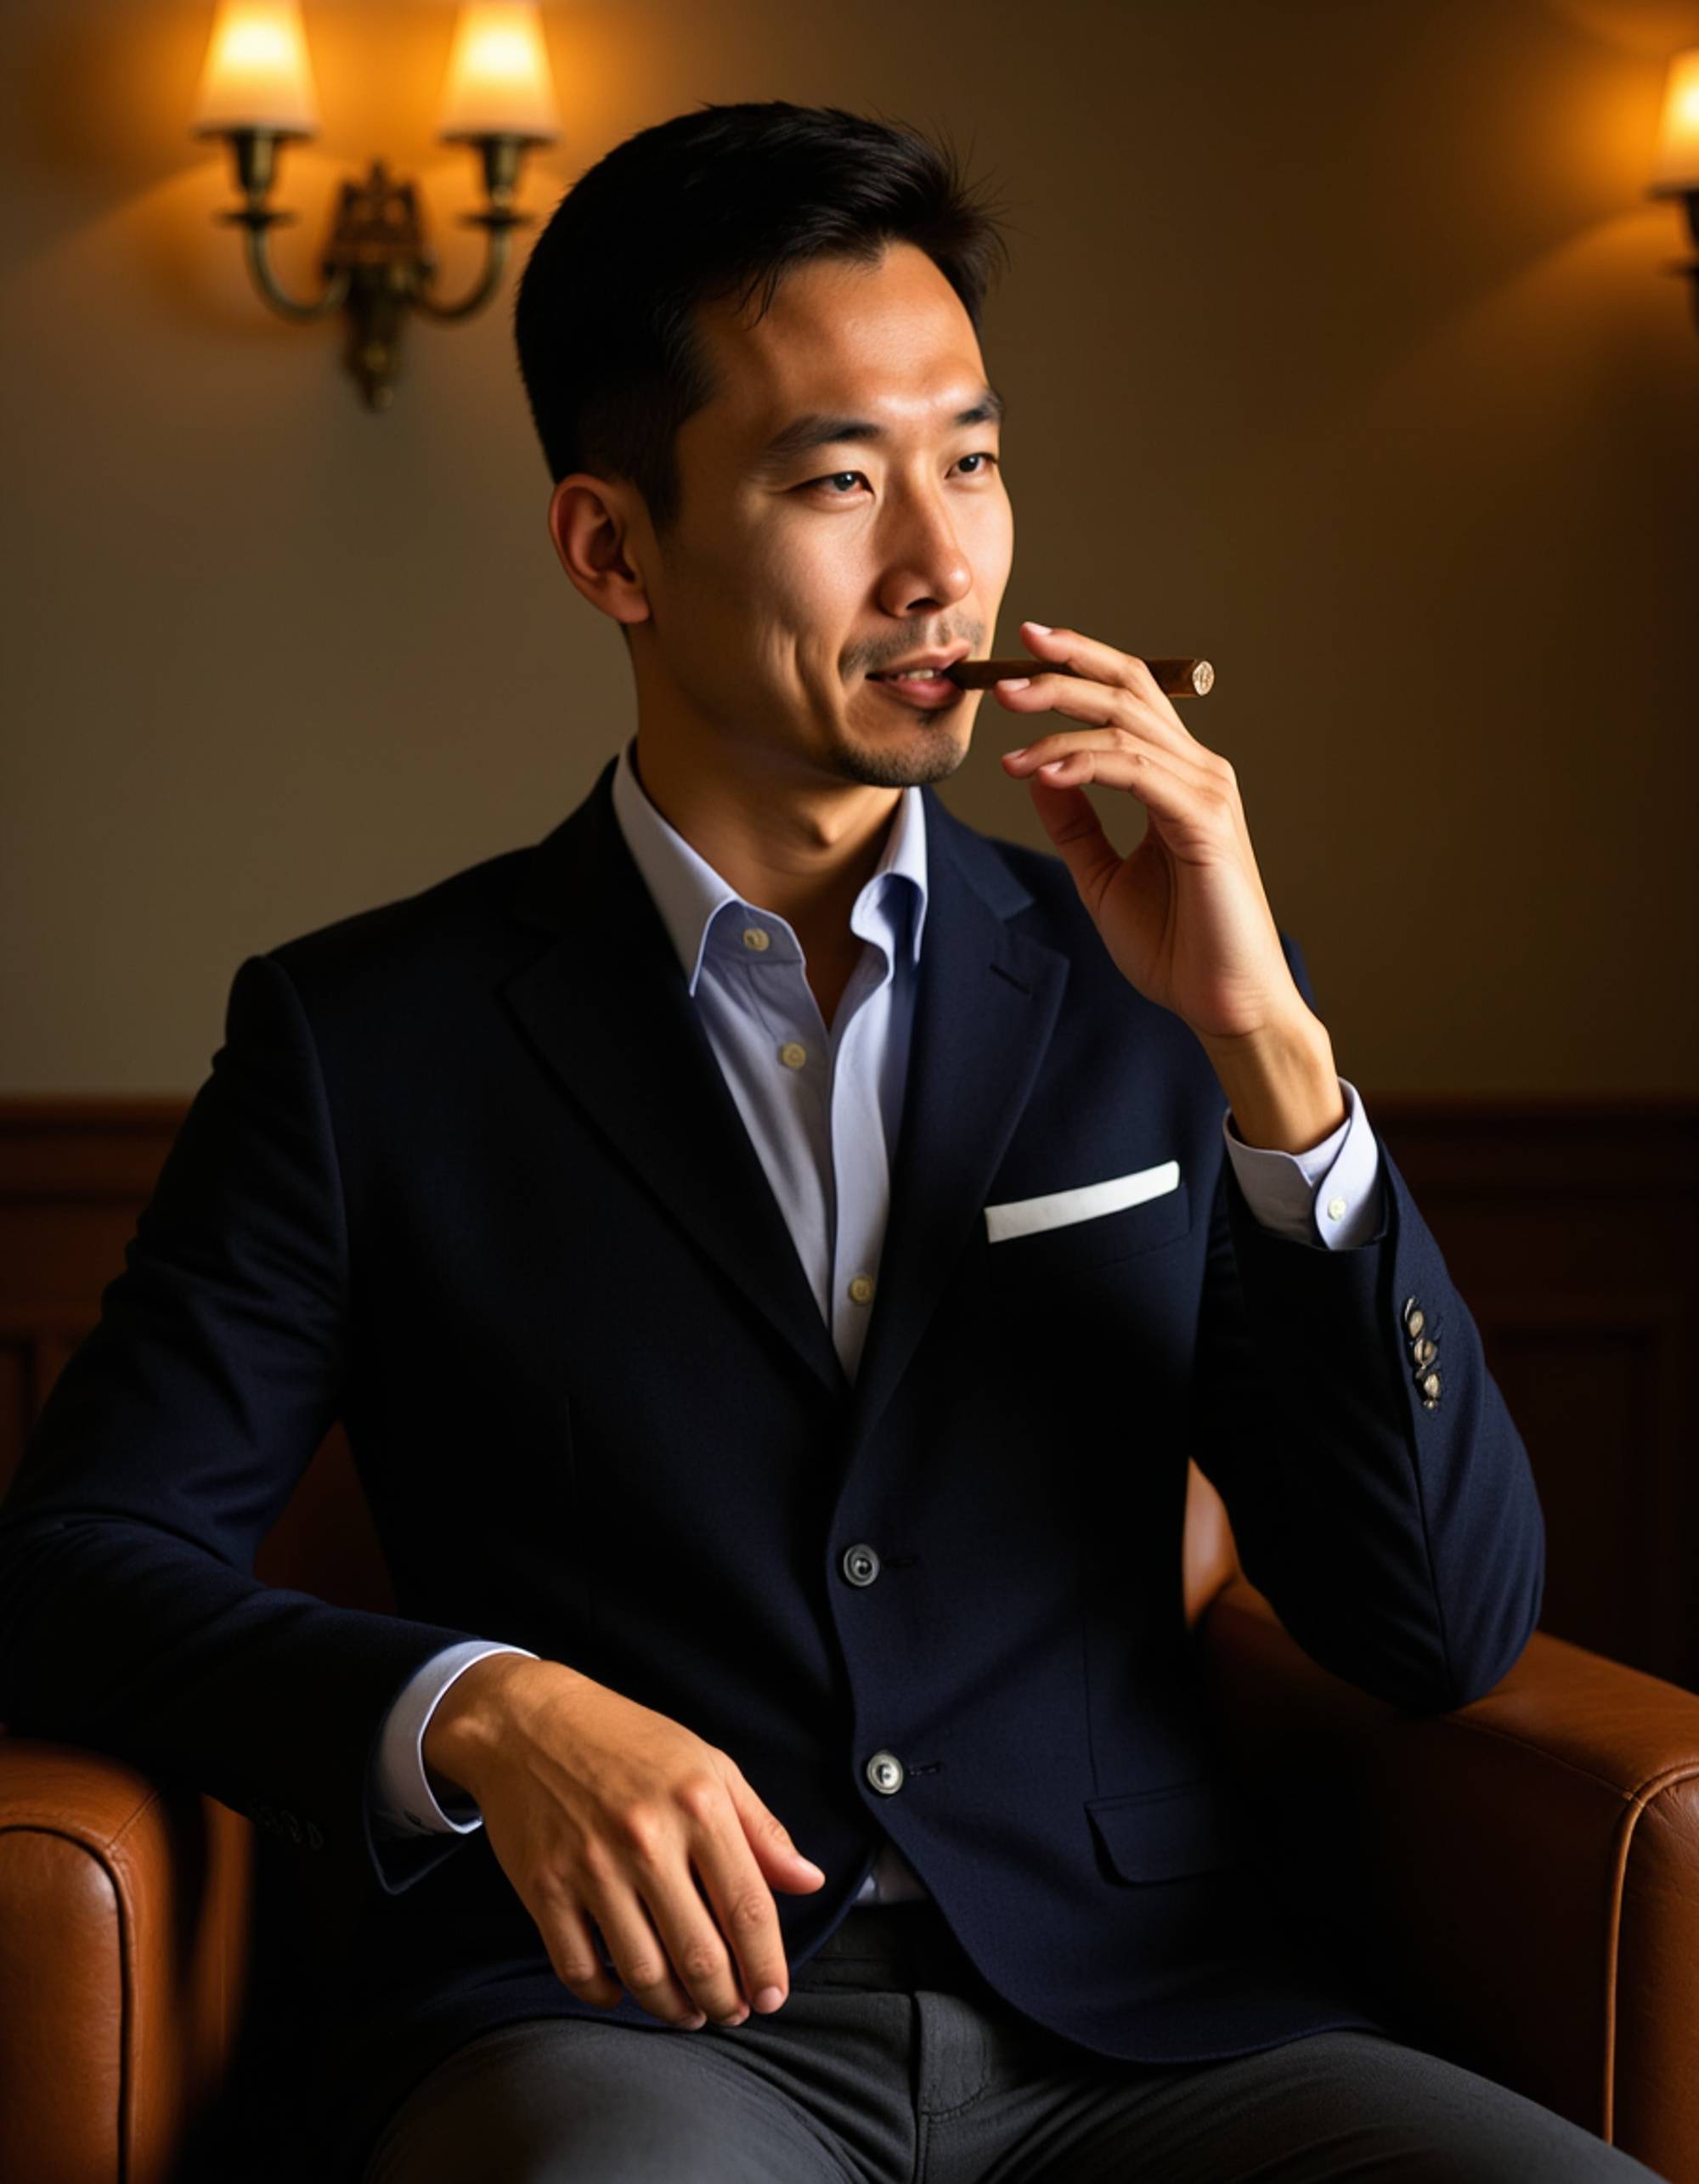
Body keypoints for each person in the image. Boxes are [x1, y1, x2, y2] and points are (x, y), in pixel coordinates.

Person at [0, 99, 1666, 2184]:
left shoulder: (1155, 987)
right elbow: (66, 1568)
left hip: (1152, 2025)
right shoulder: (365, 1040)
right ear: (612, 546)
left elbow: (1444, 1625)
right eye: (835, 478)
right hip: (622, 2032)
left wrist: (1273, 1056)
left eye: (969, 459)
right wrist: (482, 1707)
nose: (938, 556)